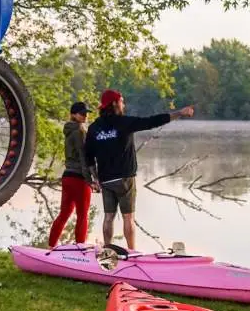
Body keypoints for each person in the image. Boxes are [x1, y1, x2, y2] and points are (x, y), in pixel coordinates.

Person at [85, 89, 194, 250]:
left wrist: (95, 178)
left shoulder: (94, 128)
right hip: (124, 178)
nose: (124, 104)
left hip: (106, 179)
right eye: (121, 101)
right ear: (114, 103)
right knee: (128, 217)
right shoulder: (124, 122)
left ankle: (107, 251)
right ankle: (131, 251)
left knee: (108, 216)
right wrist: (179, 113)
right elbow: (151, 122)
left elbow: (88, 156)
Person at [48, 101, 95, 248]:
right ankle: (80, 250)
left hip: (67, 176)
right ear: (73, 114)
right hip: (79, 179)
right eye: (82, 113)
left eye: (86, 113)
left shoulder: (69, 130)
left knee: (64, 214)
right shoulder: (80, 131)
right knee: (82, 216)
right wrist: (91, 180)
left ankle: (51, 247)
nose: (85, 115)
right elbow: (83, 157)